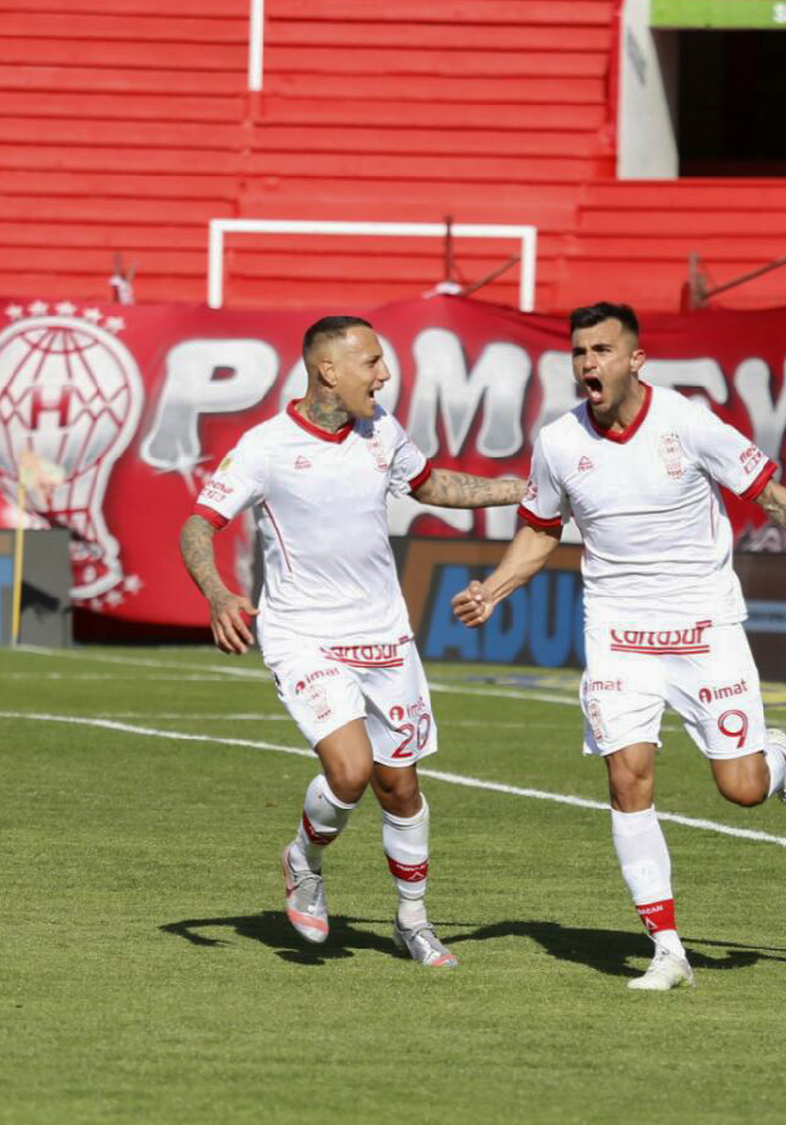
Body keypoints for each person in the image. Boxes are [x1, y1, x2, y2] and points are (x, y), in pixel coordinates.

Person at [450, 301, 786, 989]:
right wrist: (495, 590)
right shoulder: (558, 442)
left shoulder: (687, 423)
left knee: (741, 788)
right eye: (579, 352)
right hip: (618, 634)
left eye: (601, 350)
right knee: (627, 776)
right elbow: (541, 530)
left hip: (703, 628)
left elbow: (773, 498)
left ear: (636, 360)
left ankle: (780, 759)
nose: (587, 364)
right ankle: (667, 948)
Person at [179, 315, 523, 967]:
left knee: (401, 785)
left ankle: (411, 923)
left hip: (384, 634)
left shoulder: (382, 430)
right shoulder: (265, 446)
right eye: (372, 362)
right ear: (327, 369)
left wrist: (515, 490)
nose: (385, 374)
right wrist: (220, 593)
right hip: (305, 634)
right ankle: (302, 859)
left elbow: (431, 485)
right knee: (350, 769)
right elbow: (198, 525)